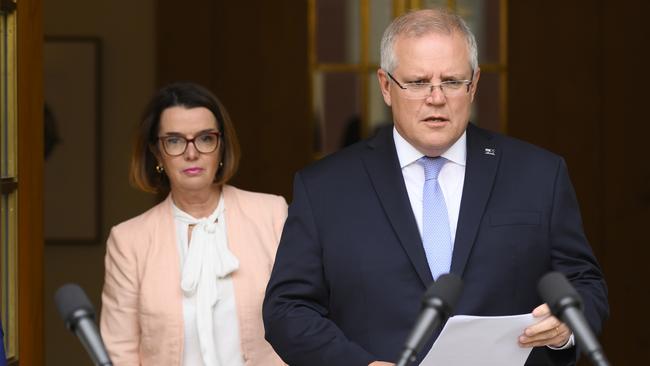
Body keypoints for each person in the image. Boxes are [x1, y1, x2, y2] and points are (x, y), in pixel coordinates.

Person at [263, 8, 608, 366]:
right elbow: (287, 310)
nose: (436, 97)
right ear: (385, 86)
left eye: (453, 81)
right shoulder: (325, 188)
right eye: (417, 82)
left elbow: (585, 283)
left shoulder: (538, 174)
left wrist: (566, 327)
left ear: (473, 85)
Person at [100, 82, 287, 365]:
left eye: (205, 138)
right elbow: (119, 350)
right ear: (157, 152)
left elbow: (303, 322)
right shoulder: (129, 240)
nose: (191, 153)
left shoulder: (271, 214)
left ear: (220, 145)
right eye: (174, 141)